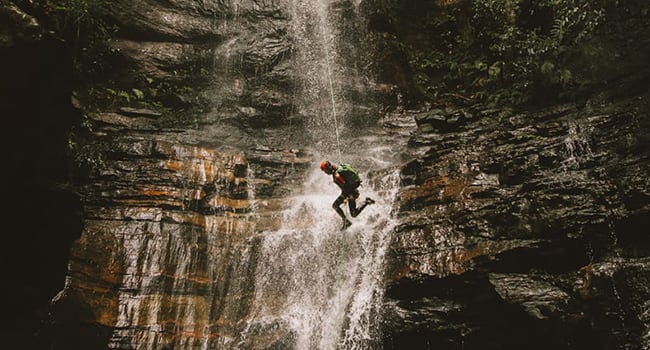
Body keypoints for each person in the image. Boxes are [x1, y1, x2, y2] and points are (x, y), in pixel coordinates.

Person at [320, 160, 375, 230]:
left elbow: (345, 186)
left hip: (349, 192)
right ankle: (366, 202)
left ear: (328, 168)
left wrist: (347, 197)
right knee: (354, 213)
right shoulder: (339, 167)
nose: (325, 172)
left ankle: (346, 221)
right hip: (350, 191)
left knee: (335, 205)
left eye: (325, 170)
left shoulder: (336, 175)